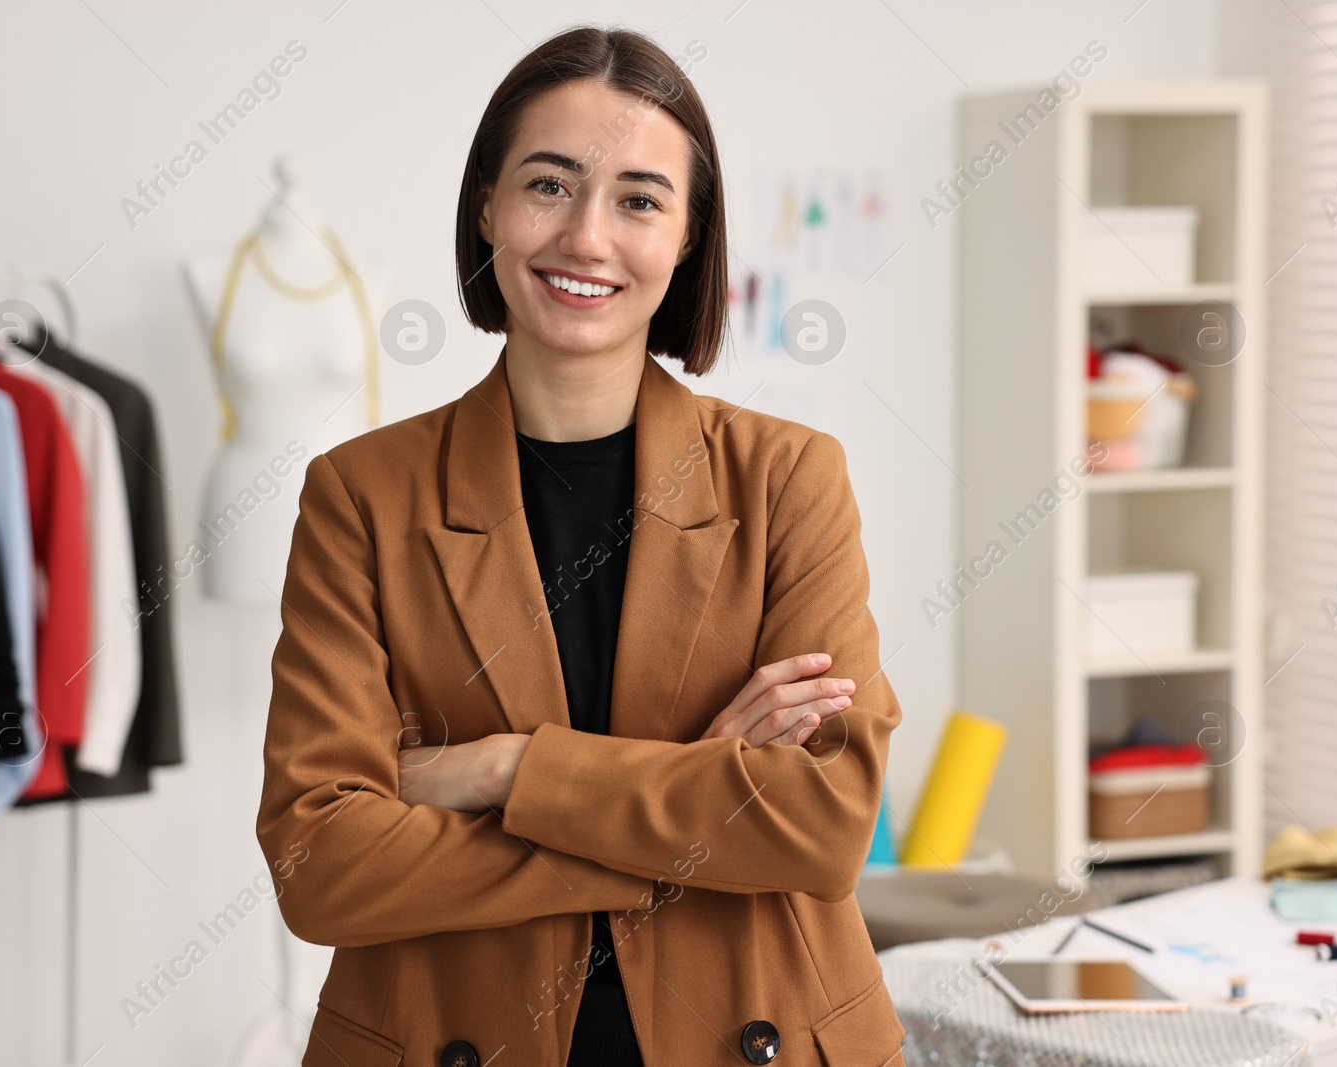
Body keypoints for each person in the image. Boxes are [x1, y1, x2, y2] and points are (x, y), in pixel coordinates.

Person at [257, 24, 908, 1067]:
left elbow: (821, 825)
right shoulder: (360, 497)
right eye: (549, 185)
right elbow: (321, 863)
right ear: (487, 207)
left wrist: (503, 769)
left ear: (688, 235)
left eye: (640, 198)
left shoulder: (789, 478)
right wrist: (700, 792)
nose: (587, 237)